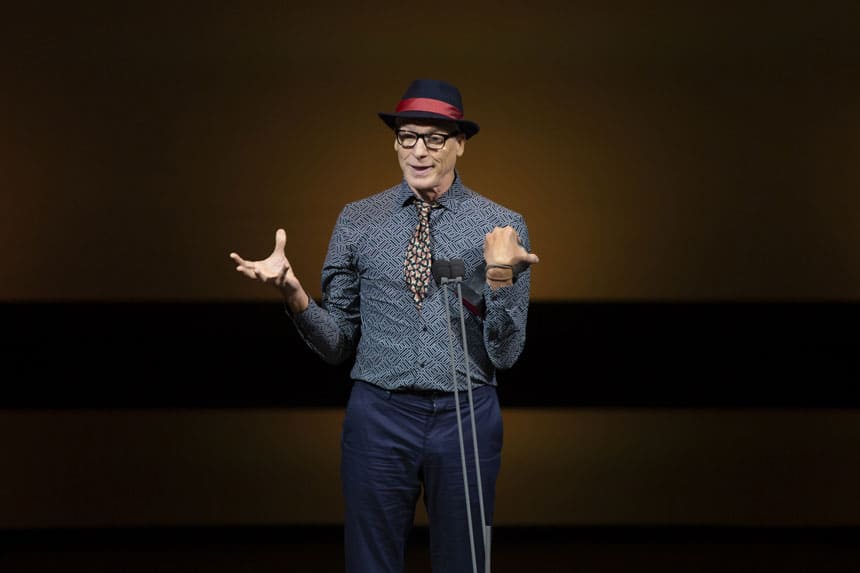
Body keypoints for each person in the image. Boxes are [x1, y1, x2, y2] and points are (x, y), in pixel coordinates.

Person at [229, 78, 539, 573]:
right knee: (370, 562)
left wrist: (500, 274)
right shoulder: (358, 221)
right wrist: (292, 292)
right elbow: (337, 343)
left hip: (466, 414)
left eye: (434, 138)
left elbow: (505, 353)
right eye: (407, 136)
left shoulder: (500, 227)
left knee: (465, 562)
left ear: (460, 144)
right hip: (379, 413)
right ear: (396, 143)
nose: (419, 151)